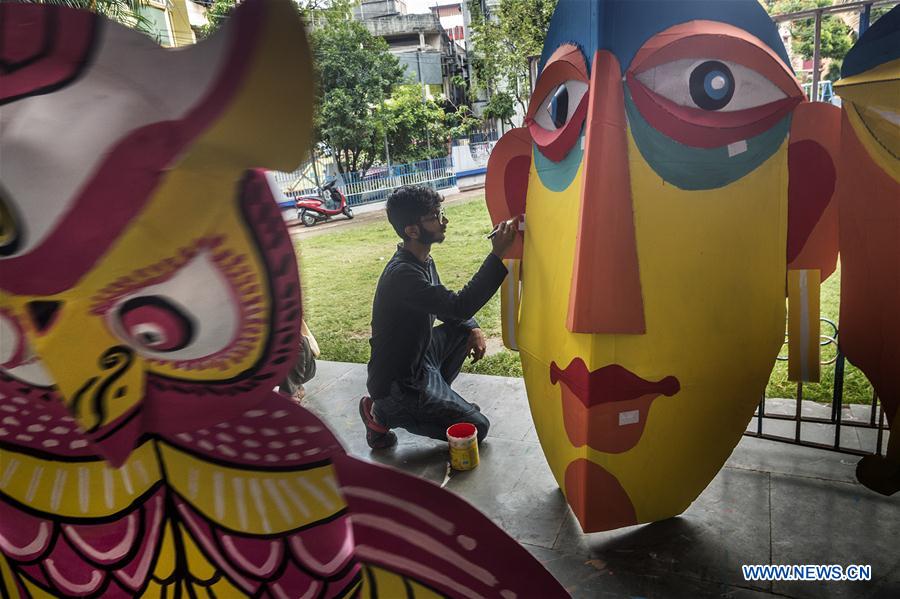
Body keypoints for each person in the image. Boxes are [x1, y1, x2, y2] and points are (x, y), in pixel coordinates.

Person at [361, 185, 518, 449]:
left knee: (462, 331)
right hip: (398, 385)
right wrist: (497, 253)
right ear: (412, 230)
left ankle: (440, 403)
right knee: (478, 428)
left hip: (419, 360)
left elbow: (450, 309)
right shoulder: (403, 274)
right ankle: (381, 414)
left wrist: (473, 328)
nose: (444, 220)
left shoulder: (421, 261)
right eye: (435, 216)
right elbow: (458, 306)